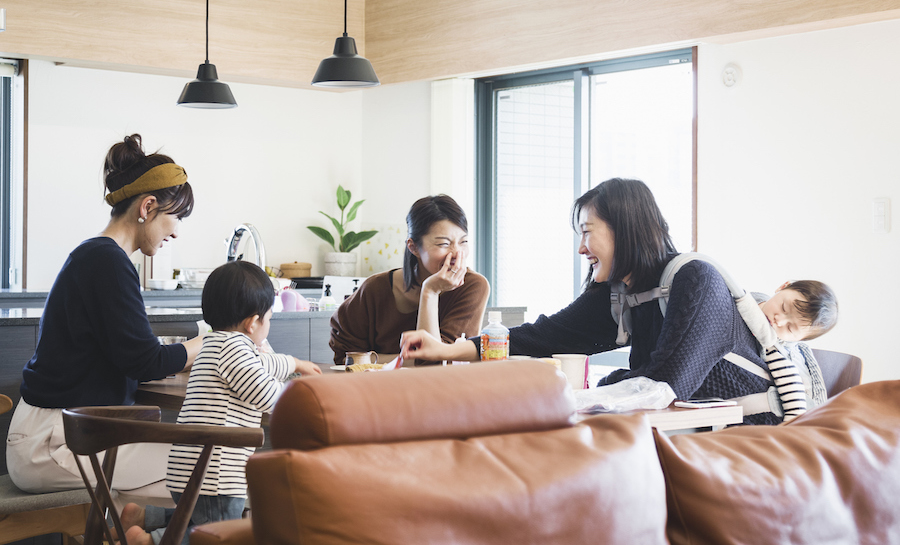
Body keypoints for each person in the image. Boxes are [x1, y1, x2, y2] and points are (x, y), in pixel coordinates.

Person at [401, 178, 787, 425]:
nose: (582, 248)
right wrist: (447, 349)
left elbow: (667, 385)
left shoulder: (696, 280)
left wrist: (590, 387)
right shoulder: (622, 293)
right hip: (692, 436)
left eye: (587, 232)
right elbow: (545, 337)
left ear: (625, 229)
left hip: (753, 441)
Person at [6, 134, 204, 493]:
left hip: (62, 432)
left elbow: (129, 351)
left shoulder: (100, 256)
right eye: (175, 217)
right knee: (207, 468)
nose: (175, 233)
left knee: (187, 473)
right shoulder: (107, 261)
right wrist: (205, 345)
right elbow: (144, 360)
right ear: (147, 208)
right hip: (53, 443)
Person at [120, 261, 322, 545]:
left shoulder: (213, 345)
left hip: (188, 468)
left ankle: (143, 519)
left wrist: (295, 363)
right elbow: (266, 395)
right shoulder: (236, 352)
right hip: (217, 473)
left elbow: (263, 363)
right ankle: (150, 542)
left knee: (196, 517)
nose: (269, 324)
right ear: (253, 323)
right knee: (219, 535)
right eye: (270, 318)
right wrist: (301, 393)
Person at [329, 195, 490, 365]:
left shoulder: (473, 286)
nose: (457, 253)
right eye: (443, 244)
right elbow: (349, 360)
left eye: (463, 242)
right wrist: (411, 360)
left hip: (440, 389)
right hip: (376, 388)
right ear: (413, 247)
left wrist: (430, 291)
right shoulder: (374, 289)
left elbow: (436, 364)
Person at [756, 280, 838, 343]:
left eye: (789, 328)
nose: (779, 321)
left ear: (798, 340)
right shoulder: (746, 299)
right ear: (783, 287)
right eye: (783, 308)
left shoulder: (780, 354)